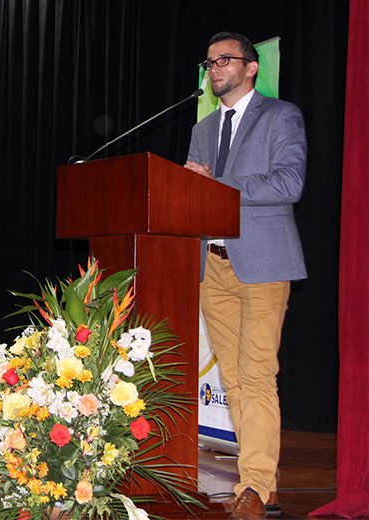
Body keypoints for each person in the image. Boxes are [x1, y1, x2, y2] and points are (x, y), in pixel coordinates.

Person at [184, 32, 306, 520]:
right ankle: (261, 485)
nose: (215, 69)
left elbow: (289, 183)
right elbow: (196, 195)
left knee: (257, 375)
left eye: (225, 60)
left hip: (263, 263)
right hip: (211, 267)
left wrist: (217, 182)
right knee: (233, 379)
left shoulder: (281, 116)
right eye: (210, 62)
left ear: (251, 68)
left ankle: (257, 486)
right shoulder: (204, 128)